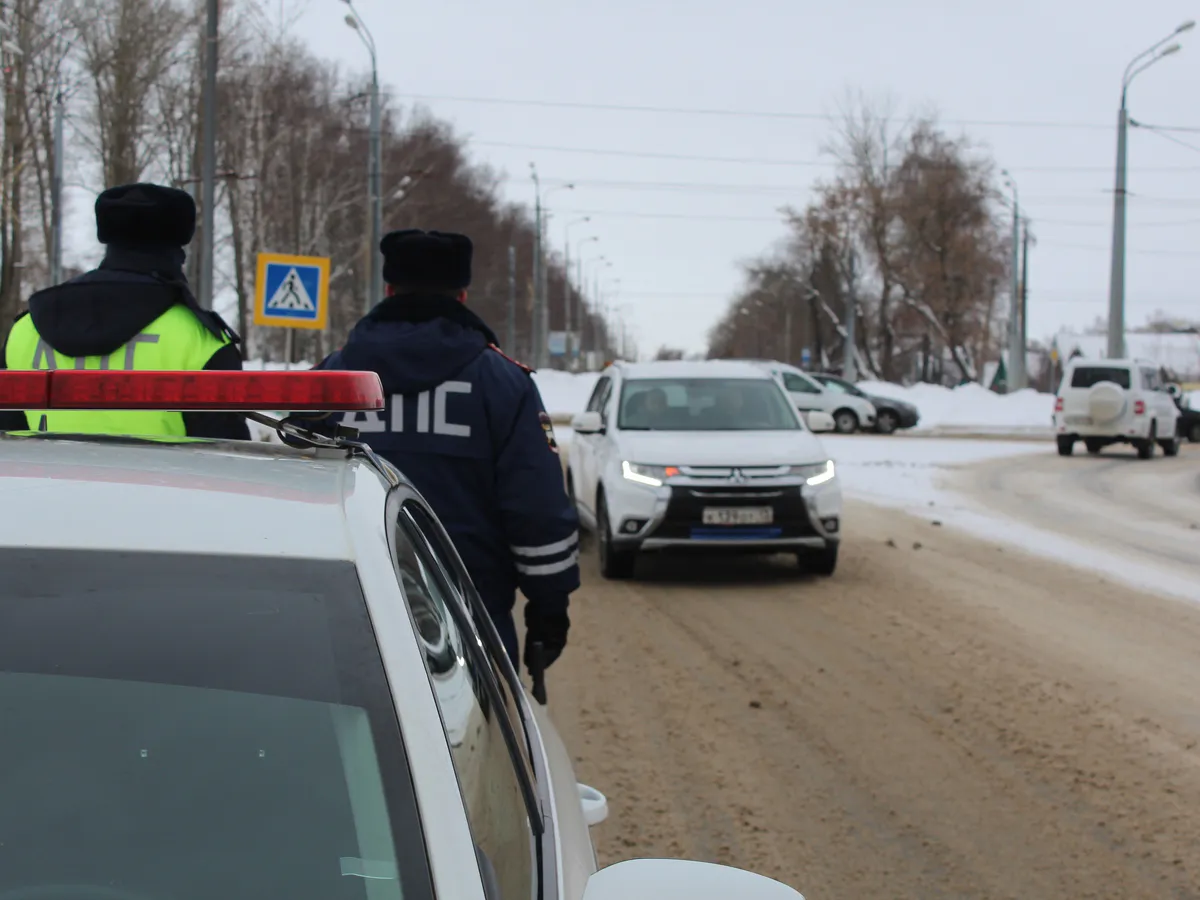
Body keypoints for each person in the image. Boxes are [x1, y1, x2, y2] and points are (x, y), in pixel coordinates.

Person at [308, 229, 578, 673]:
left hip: (344, 612)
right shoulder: (502, 383)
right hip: (470, 623)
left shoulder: (332, 379)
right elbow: (537, 507)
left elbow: (294, 487)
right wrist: (550, 607)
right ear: (463, 295)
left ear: (389, 289)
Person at [0, 182, 249, 439]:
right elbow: (229, 458)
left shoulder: (26, 330)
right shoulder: (201, 340)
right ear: (177, 248)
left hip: (40, 480)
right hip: (164, 480)